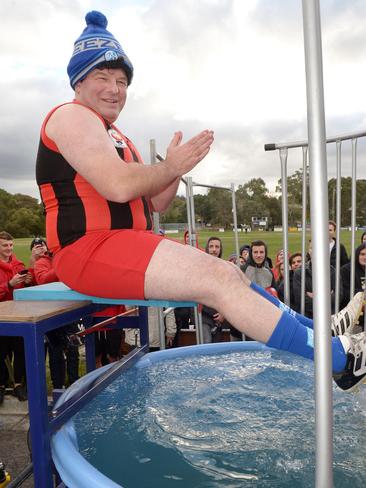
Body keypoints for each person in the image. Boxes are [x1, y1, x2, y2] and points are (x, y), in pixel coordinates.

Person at [35, 10, 366, 393]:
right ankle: (341, 360)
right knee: (219, 277)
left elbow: (156, 202)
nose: (115, 89)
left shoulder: (117, 135)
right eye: (103, 77)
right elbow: (118, 186)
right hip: (87, 250)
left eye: (122, 81)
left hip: (124, 245)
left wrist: (174, 170)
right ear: (78, 81)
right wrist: (170, 165)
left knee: (230, 274)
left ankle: (319, 333)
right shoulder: (71, 116)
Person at [33, 240, 81, 389]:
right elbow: (42, 279)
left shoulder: (69, 258)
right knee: (56, 351)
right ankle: (58, 386)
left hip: (70, 310)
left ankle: (74, 382)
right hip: (51, 312)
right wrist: (61, 267)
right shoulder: (42, 262)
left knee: (73, 348)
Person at [0, 231, 32, 403]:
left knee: (20, 352)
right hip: (2, 317)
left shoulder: (18, 265)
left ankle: (18, 385)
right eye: (5, 245)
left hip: (19, 315)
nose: (9, 248)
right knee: (2, 352)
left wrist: (27, 281)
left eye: (11, 245)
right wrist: (8, 285)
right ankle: (2, 386)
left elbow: (26, 291)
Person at [340, 243, 366, 310]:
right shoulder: (346, 270)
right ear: (357, 255)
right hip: (350, 311)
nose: (365, 257)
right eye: (362, 254)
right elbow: (344, 293)